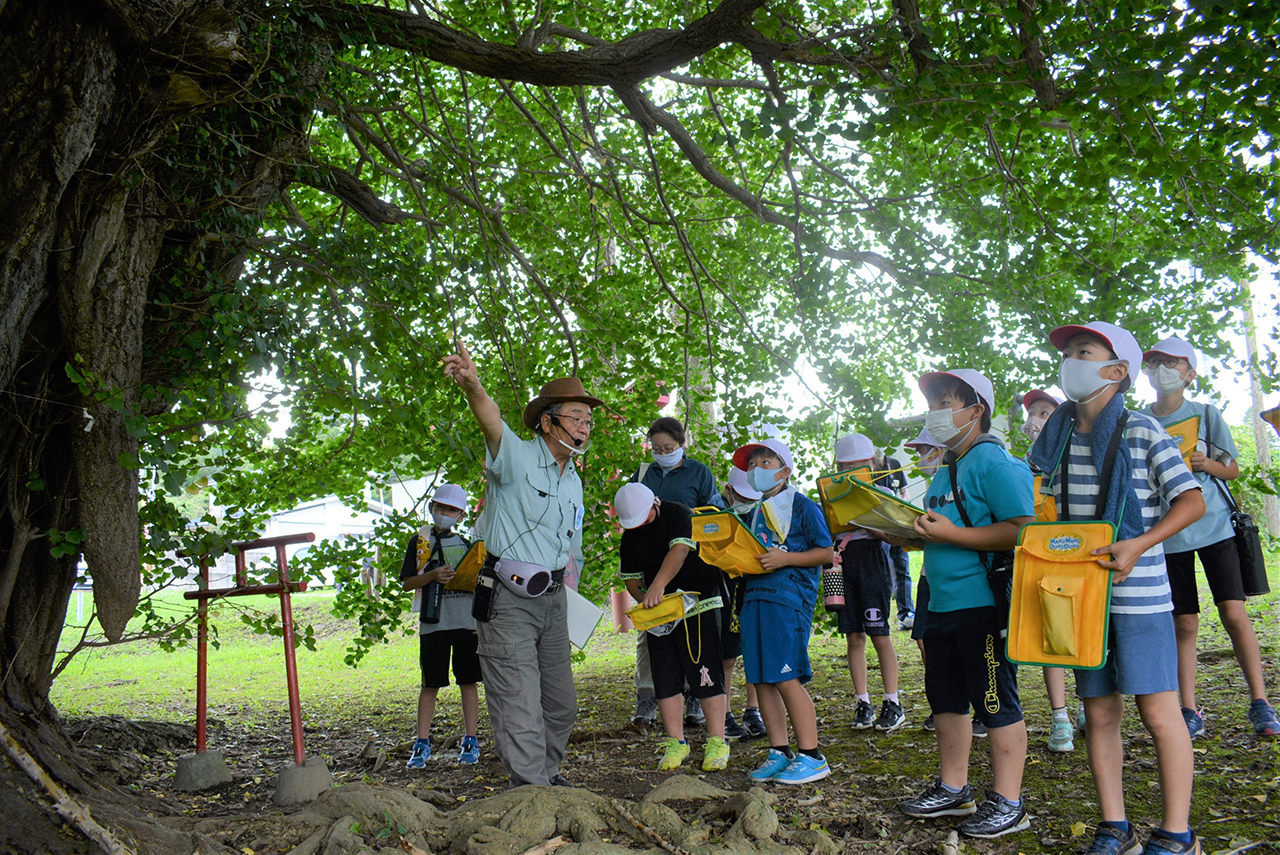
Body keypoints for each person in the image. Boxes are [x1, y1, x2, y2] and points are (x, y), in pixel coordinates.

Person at [1028, 321, 1206, 855]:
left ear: (1117, 370)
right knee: (1099, 712)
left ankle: (1178, 833)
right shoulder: (1055, 440)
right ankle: (1116, 827)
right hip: (1081, 598)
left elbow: (1190, 501)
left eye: (1085, 351)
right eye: (1069, 352)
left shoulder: (1142, 429)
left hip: (1140, 596)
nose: (1072, 361)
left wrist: (1138, 544)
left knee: (1158, 711)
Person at [443, 340, 601, 788]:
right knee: (519, 703)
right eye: (575, 417)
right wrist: (473, 386)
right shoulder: (515, 457)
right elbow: (491, 421)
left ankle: (547, 775)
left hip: (553, 601)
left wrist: (571, 592)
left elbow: (574, 548)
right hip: (507, 600)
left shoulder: (574, 482)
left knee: (561, 704)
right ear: (548, 422)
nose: (585, 426)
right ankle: (532, 790)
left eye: (588, 420)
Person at [897, 369, 1034, 839]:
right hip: (939, 603)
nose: (935, 411)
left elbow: (1021, 530)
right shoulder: (946, 466)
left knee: (994, 700)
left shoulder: (996, 464)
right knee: (946, 699)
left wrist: (950, 534)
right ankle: (954, 788)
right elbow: (945, 529)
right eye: (932, 401)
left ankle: (1009, 801)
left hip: (983, 605)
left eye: (945, 401)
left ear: (976, 411)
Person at [1138, 336, 1279, 737]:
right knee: (1184, 623)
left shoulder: (1205, 413)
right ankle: (1188, 709)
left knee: (1234, 613)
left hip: (1215, 527)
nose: (1162, 369)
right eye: (1156, 362)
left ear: (1190, 374)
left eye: (1172, 362)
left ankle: (1261, 703)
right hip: (1166, 535)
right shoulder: (1139, 420)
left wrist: (1208, 465)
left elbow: (1231, 468)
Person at [733, 438, 835, 784]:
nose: (756, 469)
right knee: (760, 678)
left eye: (765, 462)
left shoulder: (802, 505)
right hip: (755, 600)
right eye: (751, 464)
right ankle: (779, 751)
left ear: (785, 471)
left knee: (786, 676)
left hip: (788, 601)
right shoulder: (754, 511)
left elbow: (825, 553)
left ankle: (812, 755)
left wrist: (785, 558)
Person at [614, 482, 731, 771]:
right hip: (662, 614)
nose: (641, 526)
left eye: (645, 518)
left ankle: (717, 740)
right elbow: (630, 577)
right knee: (664, 675)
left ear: (654, 503)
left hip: (698, 601)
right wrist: (645, 600)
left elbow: (679, 550)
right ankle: (676, 742)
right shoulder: (630, 537)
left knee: (704, 670)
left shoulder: (677, 513)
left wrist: (657, 586)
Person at [627, 417, 724, 731]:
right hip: (652, 568)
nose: (662, 453)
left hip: (690, 564)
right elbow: (630, 512)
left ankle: (697, 702)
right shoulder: (643, 474)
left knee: (695, 639)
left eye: (668, 448)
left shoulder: (699, 472)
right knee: (652, 638)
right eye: (656, 448)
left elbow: (714, 516)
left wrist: (686, 523)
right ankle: (648, 703)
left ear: (682, 444)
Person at [399, 484, 482, 767]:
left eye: (452, 510)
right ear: (432, 507)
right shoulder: (419, 542)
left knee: (468, 681)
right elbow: (407, 582)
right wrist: (433, 575)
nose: (445, 513)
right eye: (440, 507)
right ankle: (421, 743)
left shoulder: (468, 544)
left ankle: (471, 740)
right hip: (433, 623)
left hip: (465, 622)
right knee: (430, 683)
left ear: (461, 515)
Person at [833, 433, 904, 732]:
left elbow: (896, 534)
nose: (851, 472)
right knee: (853, 636)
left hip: (872, 561)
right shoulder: (832, 493)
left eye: (858, 466)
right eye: (845, 467)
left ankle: (893, 701)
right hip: (841, 562)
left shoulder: (882, 492)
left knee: (879, 633)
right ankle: (863, 702)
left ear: (872, 464)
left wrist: (871, 521)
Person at [1020, 389, 1077, 754]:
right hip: (1042, 566)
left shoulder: (1076, 455)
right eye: (1032, 414)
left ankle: (1089, 705)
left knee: (1085, 635)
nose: (1035, 420)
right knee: (1052, 640)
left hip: (1080, 561)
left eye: (1044, 412)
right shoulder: (1024, 466)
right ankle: (1060, 718)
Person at [719, 466, 766, 739]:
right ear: (728, 491)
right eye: (741, 496)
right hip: (725, 591)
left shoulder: (765, 511)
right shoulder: (714, 512)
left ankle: (753, 710)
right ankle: (724, 715)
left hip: (755, 588)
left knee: (754, 650)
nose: (747, 502)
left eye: (751, 497)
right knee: (728, 655)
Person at [873, 447, 915, 630]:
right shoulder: (868, 469)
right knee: (886, 568)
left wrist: (903, 502)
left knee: (902, 566)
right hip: (880, 525)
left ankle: (906, 613)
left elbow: (905, 490)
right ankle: (881, 617)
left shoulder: (894, 464)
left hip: (899, 522)